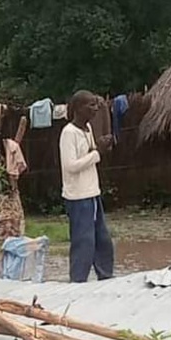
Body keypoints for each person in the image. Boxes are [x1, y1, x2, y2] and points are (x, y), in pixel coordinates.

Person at [59, 91, 114, 282]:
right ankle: (78, 280)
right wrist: (97, 153)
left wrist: (99, 147)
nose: (95, 108)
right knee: (83, 241)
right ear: (78, 108)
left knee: (102, 240)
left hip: (92, 193)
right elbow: (70, 166)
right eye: (90, 105)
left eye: (95, 104)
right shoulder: (69, 133)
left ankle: (105, 276)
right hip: (78, 196)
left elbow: (89, 153)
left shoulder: (88, 128)